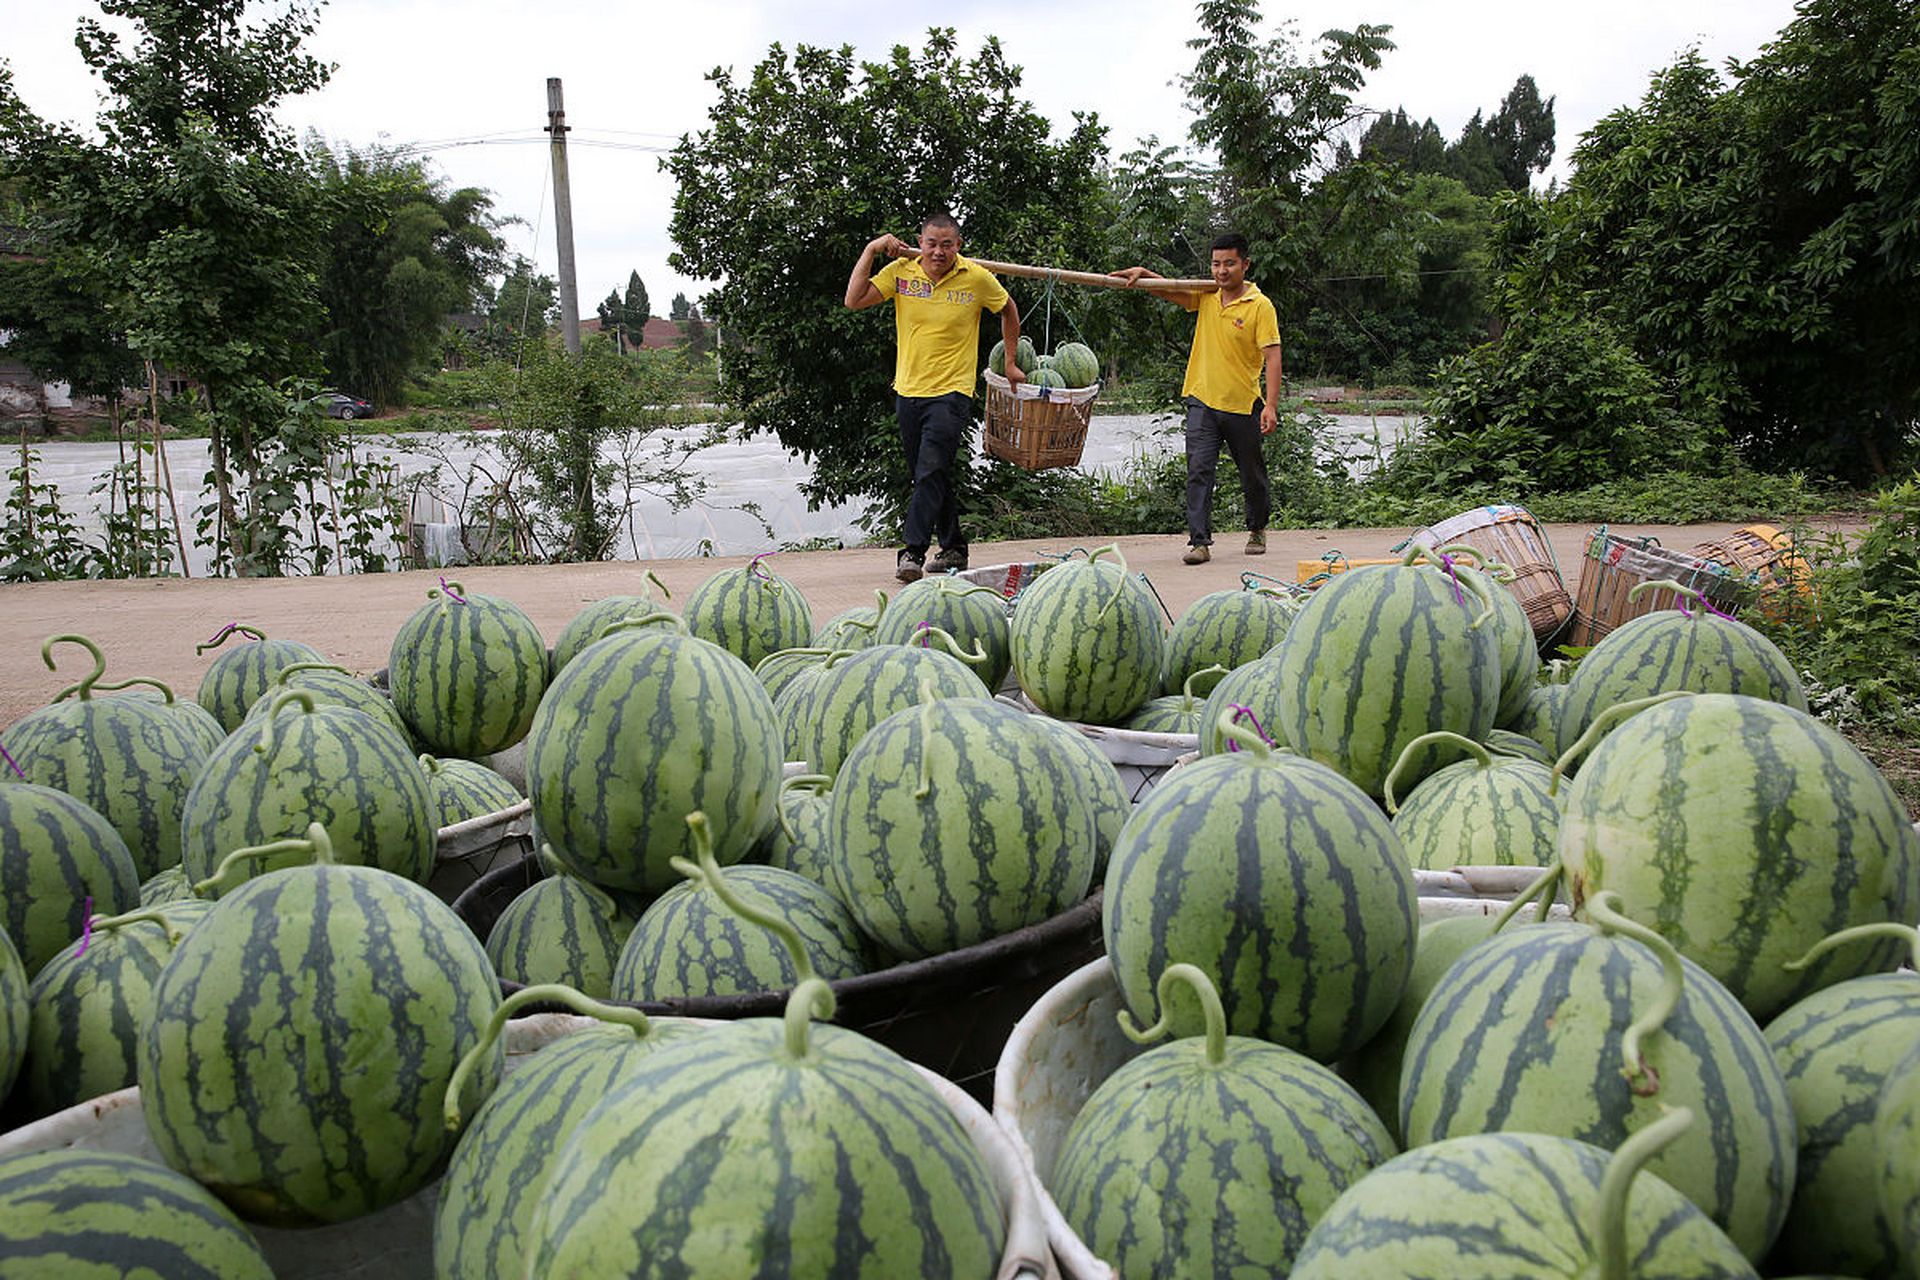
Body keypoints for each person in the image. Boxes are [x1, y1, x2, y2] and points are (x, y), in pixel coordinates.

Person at [845, 211, 1023, 582]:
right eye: (931, 243)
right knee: (929, 473)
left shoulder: (976, 278)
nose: (938, 252)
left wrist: (1010, 361)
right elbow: (854, 299)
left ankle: (911, 552)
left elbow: (1007, 308)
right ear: (920, 243)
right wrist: (872, 249)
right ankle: (954, 547)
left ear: (958, 246)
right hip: (908, 391)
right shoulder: (901, 273)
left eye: (947, 245)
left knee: (929, 471)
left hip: (952, 392)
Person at [1113, 233, 1282, 565]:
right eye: (1216, 264)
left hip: (1242, 403)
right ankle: (1199, 542)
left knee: (1251, 473)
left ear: (1245, 264)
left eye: (1229, 263)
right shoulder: (1207, 295)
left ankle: (1257, 527)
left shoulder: (1260, 306)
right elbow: (1172, 290)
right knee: (1199, 470)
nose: (1221, 271)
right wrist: (1144, 276)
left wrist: (1271, 405)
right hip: (1202, 399)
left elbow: (1273, 356)